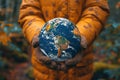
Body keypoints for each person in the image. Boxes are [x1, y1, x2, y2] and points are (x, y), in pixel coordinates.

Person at [18, 0, 109, 80]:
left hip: (80, 67)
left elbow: (97, 8)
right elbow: (28, 12)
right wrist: (40, 36)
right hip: (44, 68)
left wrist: (79, 36)